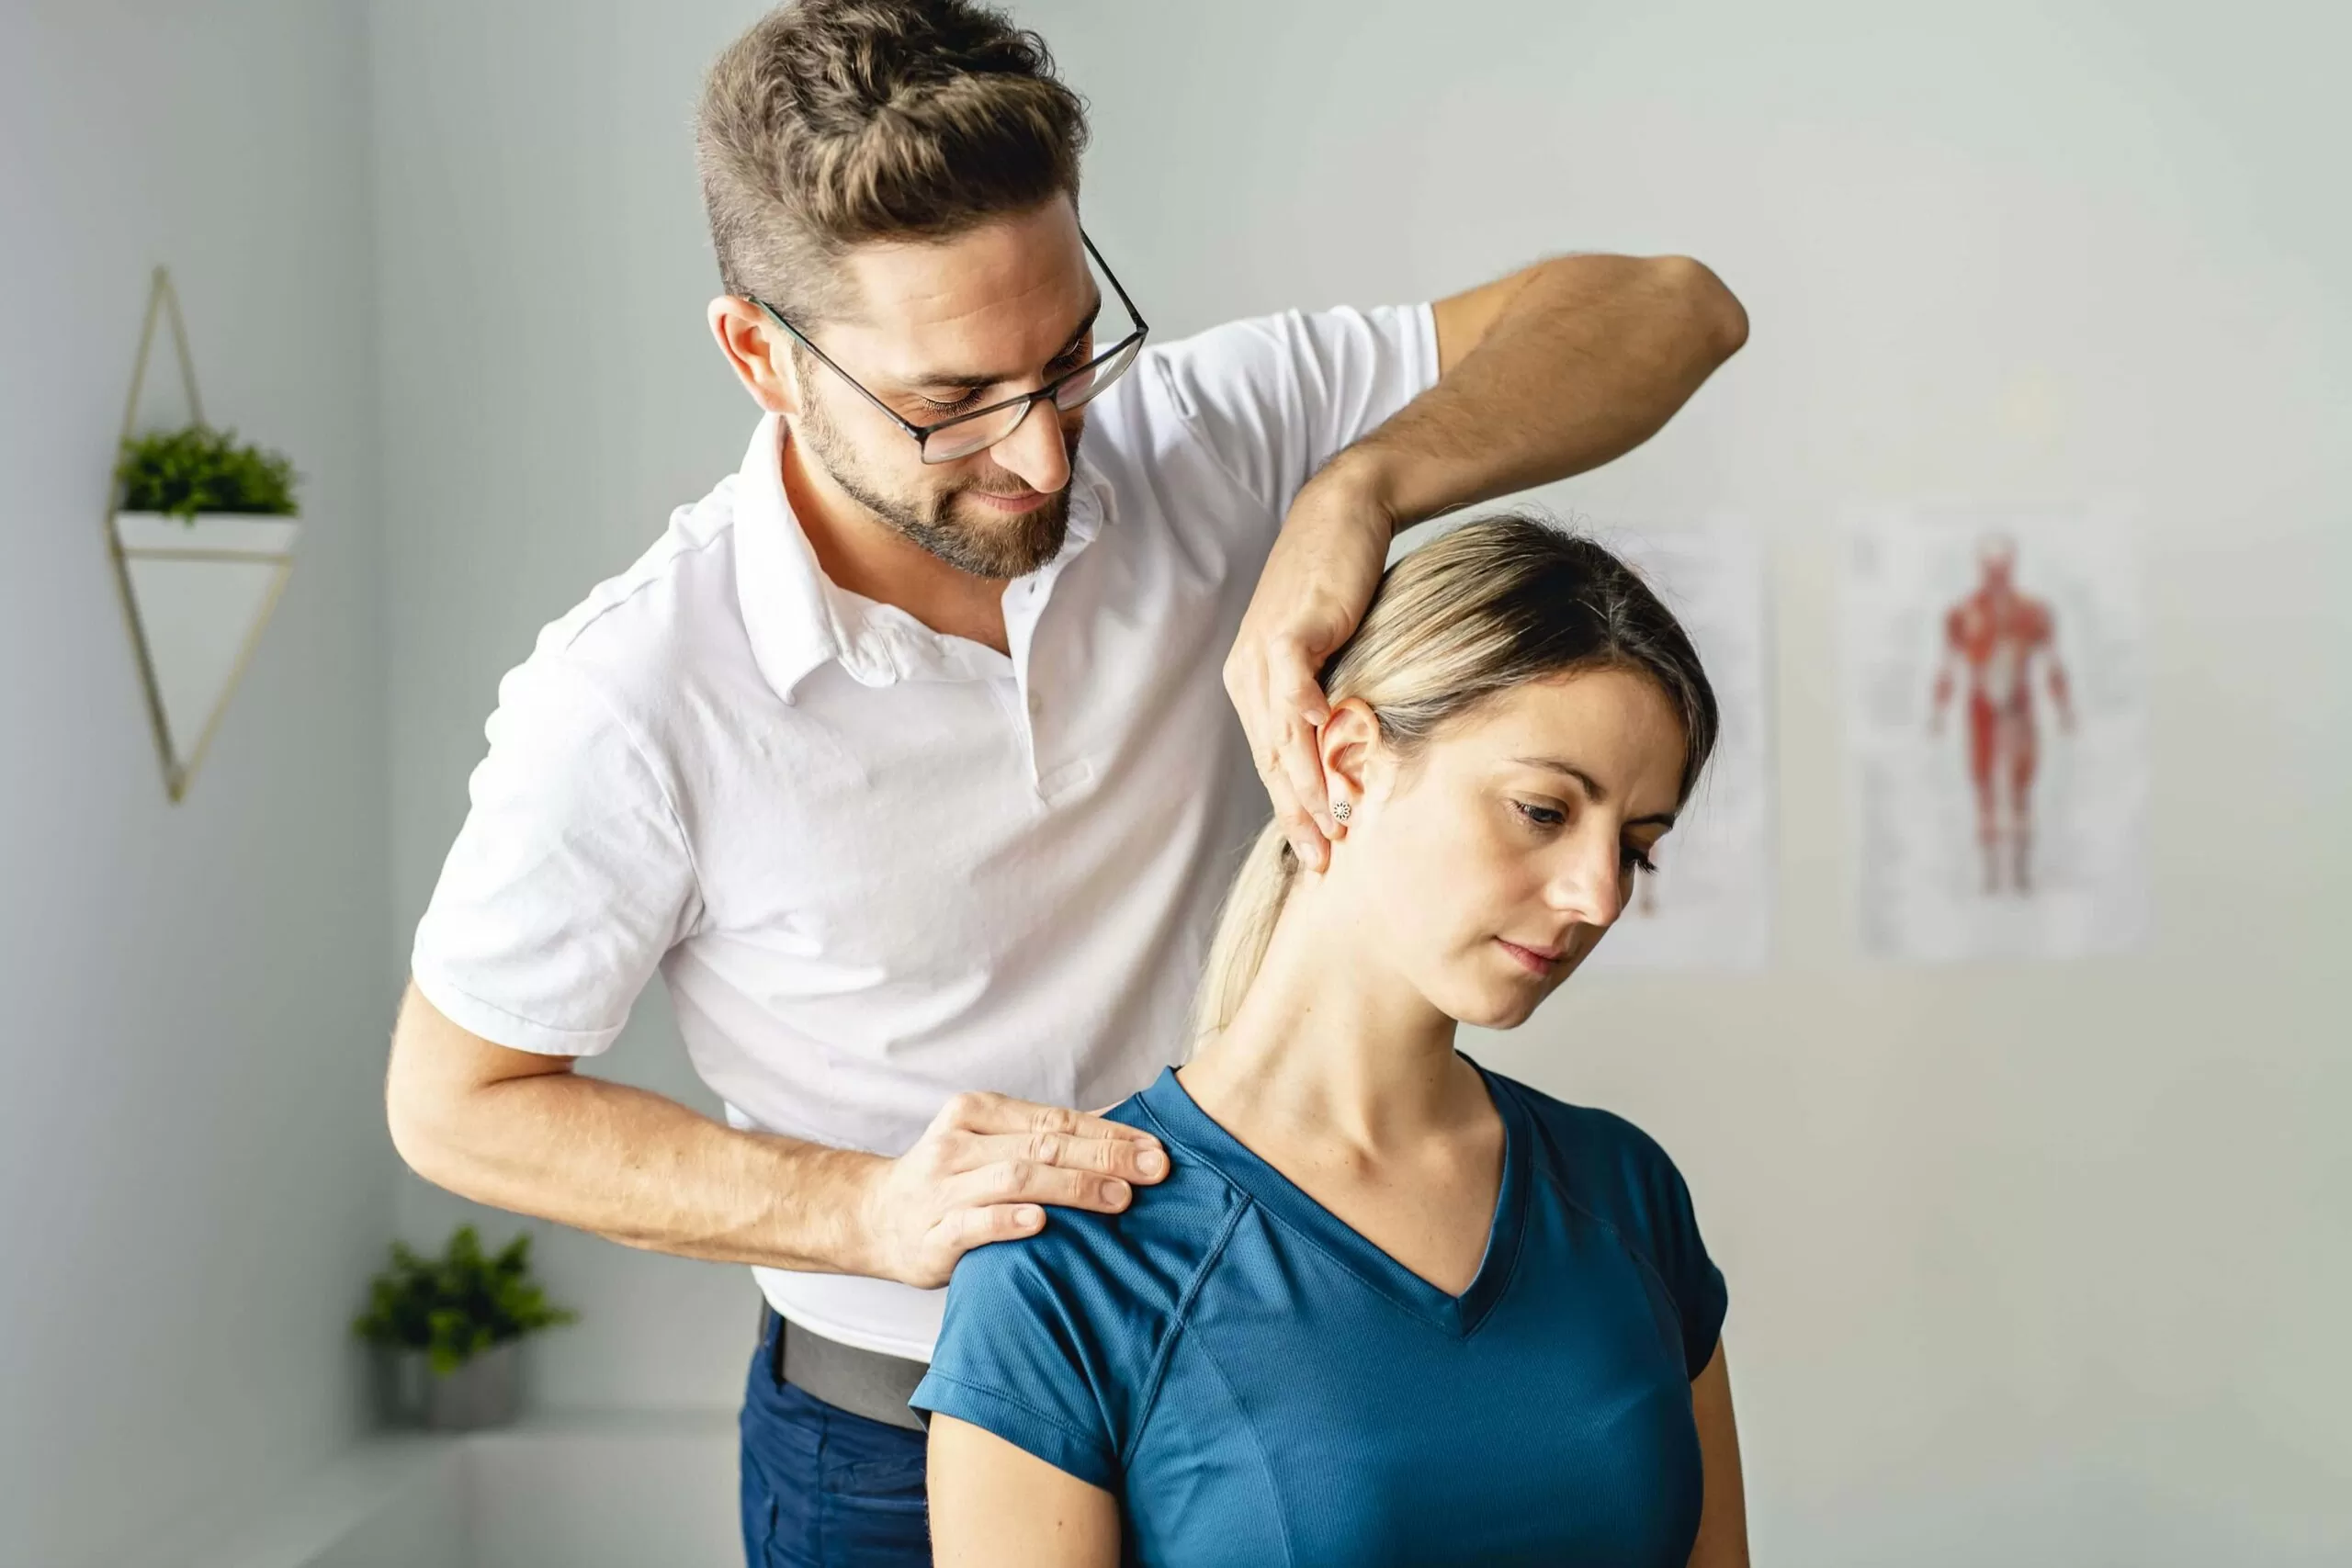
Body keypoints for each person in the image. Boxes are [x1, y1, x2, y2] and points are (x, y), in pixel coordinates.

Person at [379, 2, 1747, 1562]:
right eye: (953, 399)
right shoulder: (634, 695)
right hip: (896, 1421)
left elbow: (1670, 308)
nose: (1042, 453)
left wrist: (1364, 488)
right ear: (762, 352)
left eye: (1070, 353)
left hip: (1299, 1355)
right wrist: (868, 1213)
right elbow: (457, 1105)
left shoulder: (1210, 432)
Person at [919, 515, 1747, 1567]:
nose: (1597, 894)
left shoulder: (1627, 1193)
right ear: (1348, 759)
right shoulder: (1074, 1261)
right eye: (1543, 810)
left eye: (1637, 850)